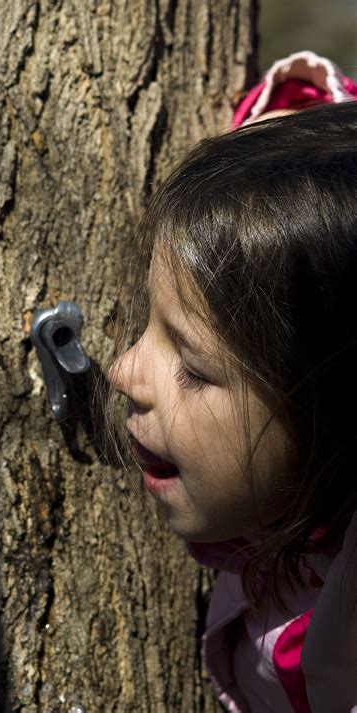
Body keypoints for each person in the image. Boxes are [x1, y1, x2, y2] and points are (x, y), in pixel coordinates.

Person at [109, 101, 357, 712]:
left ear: (331, 422)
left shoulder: (330, 654)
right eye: (149, 324)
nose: (120, 372)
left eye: (192, 369)